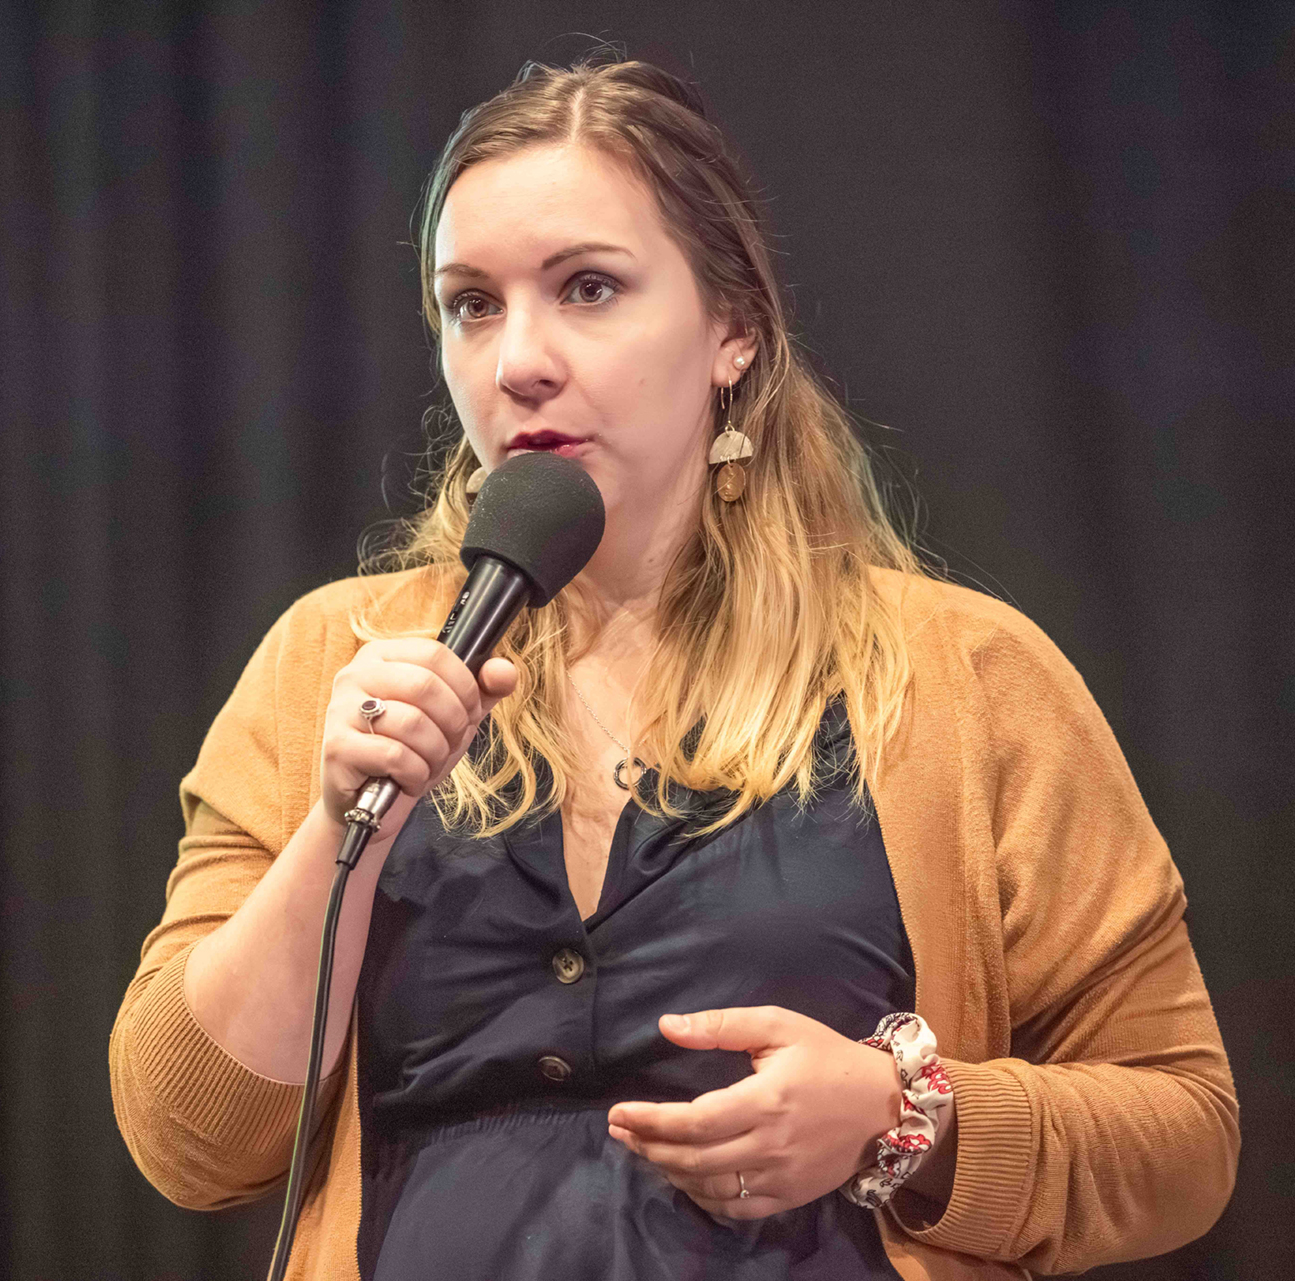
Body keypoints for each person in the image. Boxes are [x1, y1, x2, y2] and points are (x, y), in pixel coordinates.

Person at [108, 57, 1238, 1280]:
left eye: (587, 288)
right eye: (471, 305)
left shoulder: (961, 677)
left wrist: (898, 1114)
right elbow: (189, 1141)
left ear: (733, 330)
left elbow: (1182, 1136)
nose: (518, 360)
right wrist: (345, 827)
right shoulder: (334, 663)